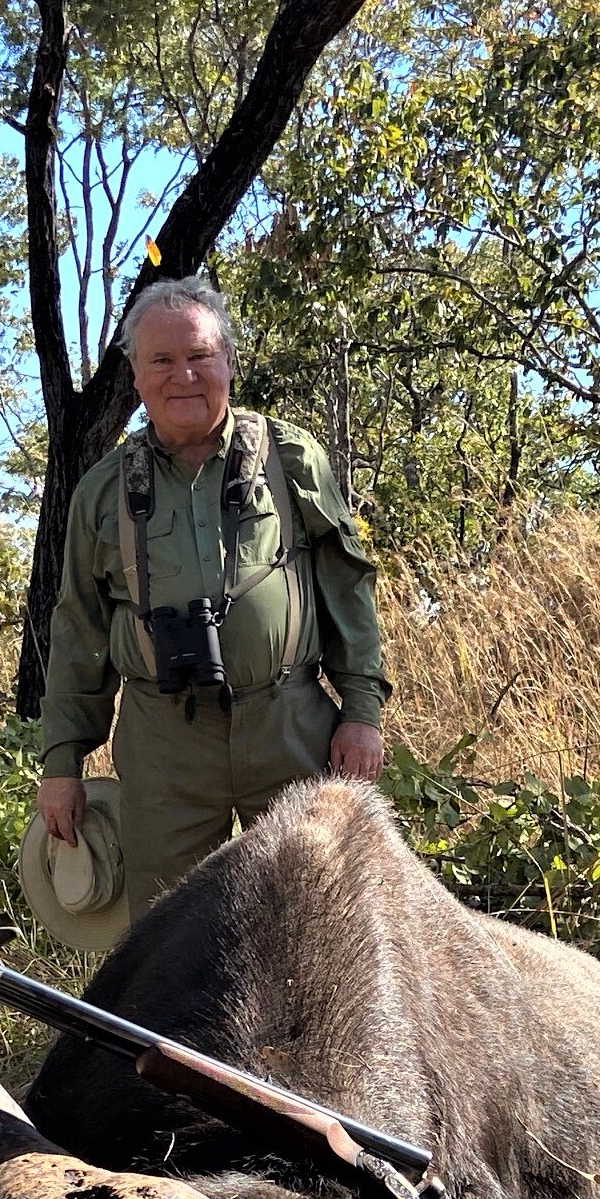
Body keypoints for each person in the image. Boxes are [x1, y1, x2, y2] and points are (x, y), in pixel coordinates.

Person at [34, 275, 390, 920]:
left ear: (228, 360)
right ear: (136, 378)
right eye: (161, 361)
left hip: (290, 725)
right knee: (166, 933)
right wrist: (63, 764)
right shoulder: (102, 489)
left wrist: (361, 712)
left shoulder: (290, 459)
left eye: (199, 356)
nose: (184, 377)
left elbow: (347, 588)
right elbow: (79, 630)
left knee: (316, 919)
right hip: (163, 740)